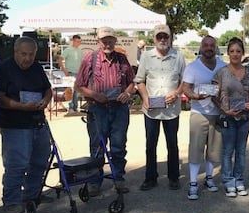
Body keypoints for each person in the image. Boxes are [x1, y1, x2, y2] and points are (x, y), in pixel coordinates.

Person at [0, 37, 52, 213]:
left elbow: (47, 89)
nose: (27, 58)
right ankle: (11, 200)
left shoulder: (36, 67)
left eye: (31, 54)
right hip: (15, 124)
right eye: (23, 54)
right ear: (15, 52)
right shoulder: (3, 69)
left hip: (37, 121)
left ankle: (32, 195)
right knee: (17, 164)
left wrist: (46, 100)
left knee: (40, 160)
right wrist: (20, 106)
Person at [75, 27, 136, 196]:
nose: (108, 43)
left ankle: (118, 178)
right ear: (98, 42)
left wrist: (127, 93)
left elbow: (132, 82)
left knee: (118, 145)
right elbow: (79, 85)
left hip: (119, 109)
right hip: (98, 109)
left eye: (110, 40)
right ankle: (95, 181)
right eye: (104, 40)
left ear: (115, 41)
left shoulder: (122, 59)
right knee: (97, 146)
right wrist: (95, 95)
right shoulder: (90, 59)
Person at [136, 24, 186, 191]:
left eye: (166, 36)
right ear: (154, 39)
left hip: (172, 110)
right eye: (159, 37)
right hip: (151, 110)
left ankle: (173, 177)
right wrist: (145, 98)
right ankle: (151, 178)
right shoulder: (146, 57)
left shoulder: (178, 56)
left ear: (170, 38)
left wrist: (177, 93)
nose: (163, 39)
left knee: (172, 144)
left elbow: (184, 81)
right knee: (151, 144)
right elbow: (140, 80)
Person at [213, 37, 249, 198]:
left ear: (243, 53)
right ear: (228, 53)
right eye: (232, 51)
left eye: (238, 51)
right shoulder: (221, 73)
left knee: (241, 151)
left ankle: (239, 179)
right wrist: (224, 109)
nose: (235, 54)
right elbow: (213, 95)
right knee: (227, 151)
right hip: (227, 117)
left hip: (245, 118)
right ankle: (228, 180)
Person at [181, 35, 226, 200]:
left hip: (217, 113)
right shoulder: (193, 67)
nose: (208, 48)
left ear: (215, 47)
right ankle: (193, 183)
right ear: (201, 47)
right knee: (196, 149)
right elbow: (186, 87)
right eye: (205, 45)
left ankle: (209, 178)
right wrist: (194, 96)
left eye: (211, 45)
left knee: (214, 150)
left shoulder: (223, 66)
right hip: (199, 112)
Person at [58, 34, 84, 114]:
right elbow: (60, 59)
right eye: (77, 41)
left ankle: (75, 108)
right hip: (70, 73)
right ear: (73, 41)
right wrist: (64, 69)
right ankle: (70, 108)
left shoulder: (80, 51)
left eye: (80, 41)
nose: (78, 43)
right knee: (70, 90)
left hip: (78, 73)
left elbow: (81, 62)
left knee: (76, 91)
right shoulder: (68, 50)